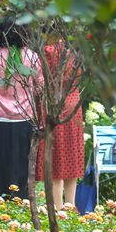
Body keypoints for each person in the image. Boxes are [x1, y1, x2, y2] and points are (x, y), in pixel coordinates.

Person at [0, 14, 41, 202]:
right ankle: (18, 199)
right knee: (19, 164)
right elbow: (40, 86)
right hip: (22, 118)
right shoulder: (32, 57)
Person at [36, 34, 84, 210]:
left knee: (56, 159)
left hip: (53, 104)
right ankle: (70, 206)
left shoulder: (47, 53)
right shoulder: (74, 54)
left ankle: (56, 208)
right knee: (71, 156)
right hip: (73, 105)